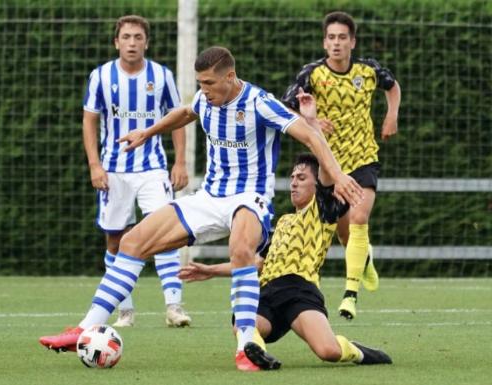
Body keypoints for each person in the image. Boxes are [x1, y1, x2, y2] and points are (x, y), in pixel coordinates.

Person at [39, 46, 364, 371]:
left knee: (241, 249)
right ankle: (84, 328)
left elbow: (309, 134)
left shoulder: (258, 103)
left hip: (249, 199)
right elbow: (184, 113)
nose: (203, 90)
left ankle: (246, 346)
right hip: (208, 198)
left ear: (230, 77)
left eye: (209, 83)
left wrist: (336, 176)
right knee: (132, 243)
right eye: (200, 83)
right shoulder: (205, 99)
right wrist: (148, 132)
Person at [179, 153, 392, 368]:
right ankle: (259, 354)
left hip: (300, 291)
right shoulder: (281, 222)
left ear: (317, 184)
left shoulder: (322, 209)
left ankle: (358, 352)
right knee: (243, 326)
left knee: (328, 351)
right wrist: (211, 270)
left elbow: (326, 173)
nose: (293, 183)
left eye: (301, 178)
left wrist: (314, 133)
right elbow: (256, 264)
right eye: (292, 178)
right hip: (267, 293)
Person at [282, 11, 402, 320]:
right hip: (329, 164)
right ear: (325, 42)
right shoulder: (312, 74)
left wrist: (392, 115)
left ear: (352, 41)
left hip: (363, 158)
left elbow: (393, 86)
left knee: (360, 215)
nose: (337, 43)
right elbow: (285, 106)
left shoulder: (368, 70)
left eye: (342, 37)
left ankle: (350, 296)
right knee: (346, 233)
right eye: (331, 37)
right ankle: (365, 259)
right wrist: (312, 120)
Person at [82, 15, 190, 328]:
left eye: (138, 37)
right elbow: (89, 120)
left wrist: (180, 161)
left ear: (146, 42)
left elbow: (177, 118)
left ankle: (174, 306)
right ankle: (124, 310)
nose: (132, 43)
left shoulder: (161, 75)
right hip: (113, 171)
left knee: (165, 232)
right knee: (115, 239)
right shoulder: (100, 76)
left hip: (152, 169)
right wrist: (94, 165)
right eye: (126, 37)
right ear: (117, 42)